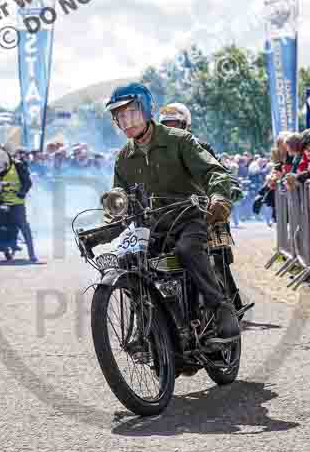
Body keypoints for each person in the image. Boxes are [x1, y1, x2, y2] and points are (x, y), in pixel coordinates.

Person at [104, 82, 243, 346]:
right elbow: (119, 201)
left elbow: (214, 172)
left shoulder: (180, 140)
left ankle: (220, 307)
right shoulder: (123, 157)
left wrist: (220, 197)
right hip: (152, 227)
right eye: (120, 116)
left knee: (188, 249)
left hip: (189, 218)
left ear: (145, 110)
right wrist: (103, 227)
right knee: (128, 260)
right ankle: (147, 324)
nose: (126, 120)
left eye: (131, 112)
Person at [0, 149, 36, 262]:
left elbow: (27, 182)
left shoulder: (18, 165)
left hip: (14, 201)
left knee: (22, 223)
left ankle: (31, 253)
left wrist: (22, 192)